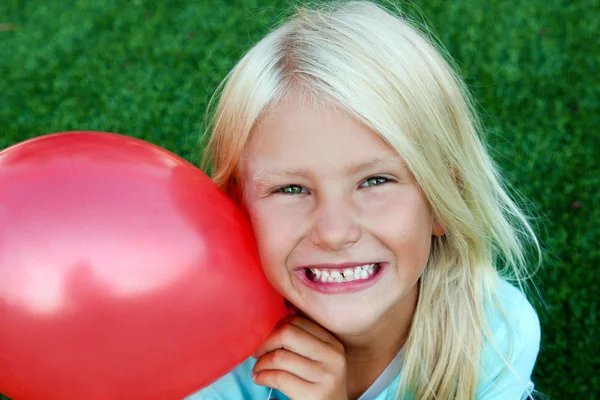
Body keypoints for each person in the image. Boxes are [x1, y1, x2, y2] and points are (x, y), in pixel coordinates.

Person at [187, 1, 542, 399]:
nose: (335, 233)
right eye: (291, 189)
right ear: (237, 210)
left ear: (445, 199)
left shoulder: (494, 337)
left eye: (375, 181)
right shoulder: (210, 362)